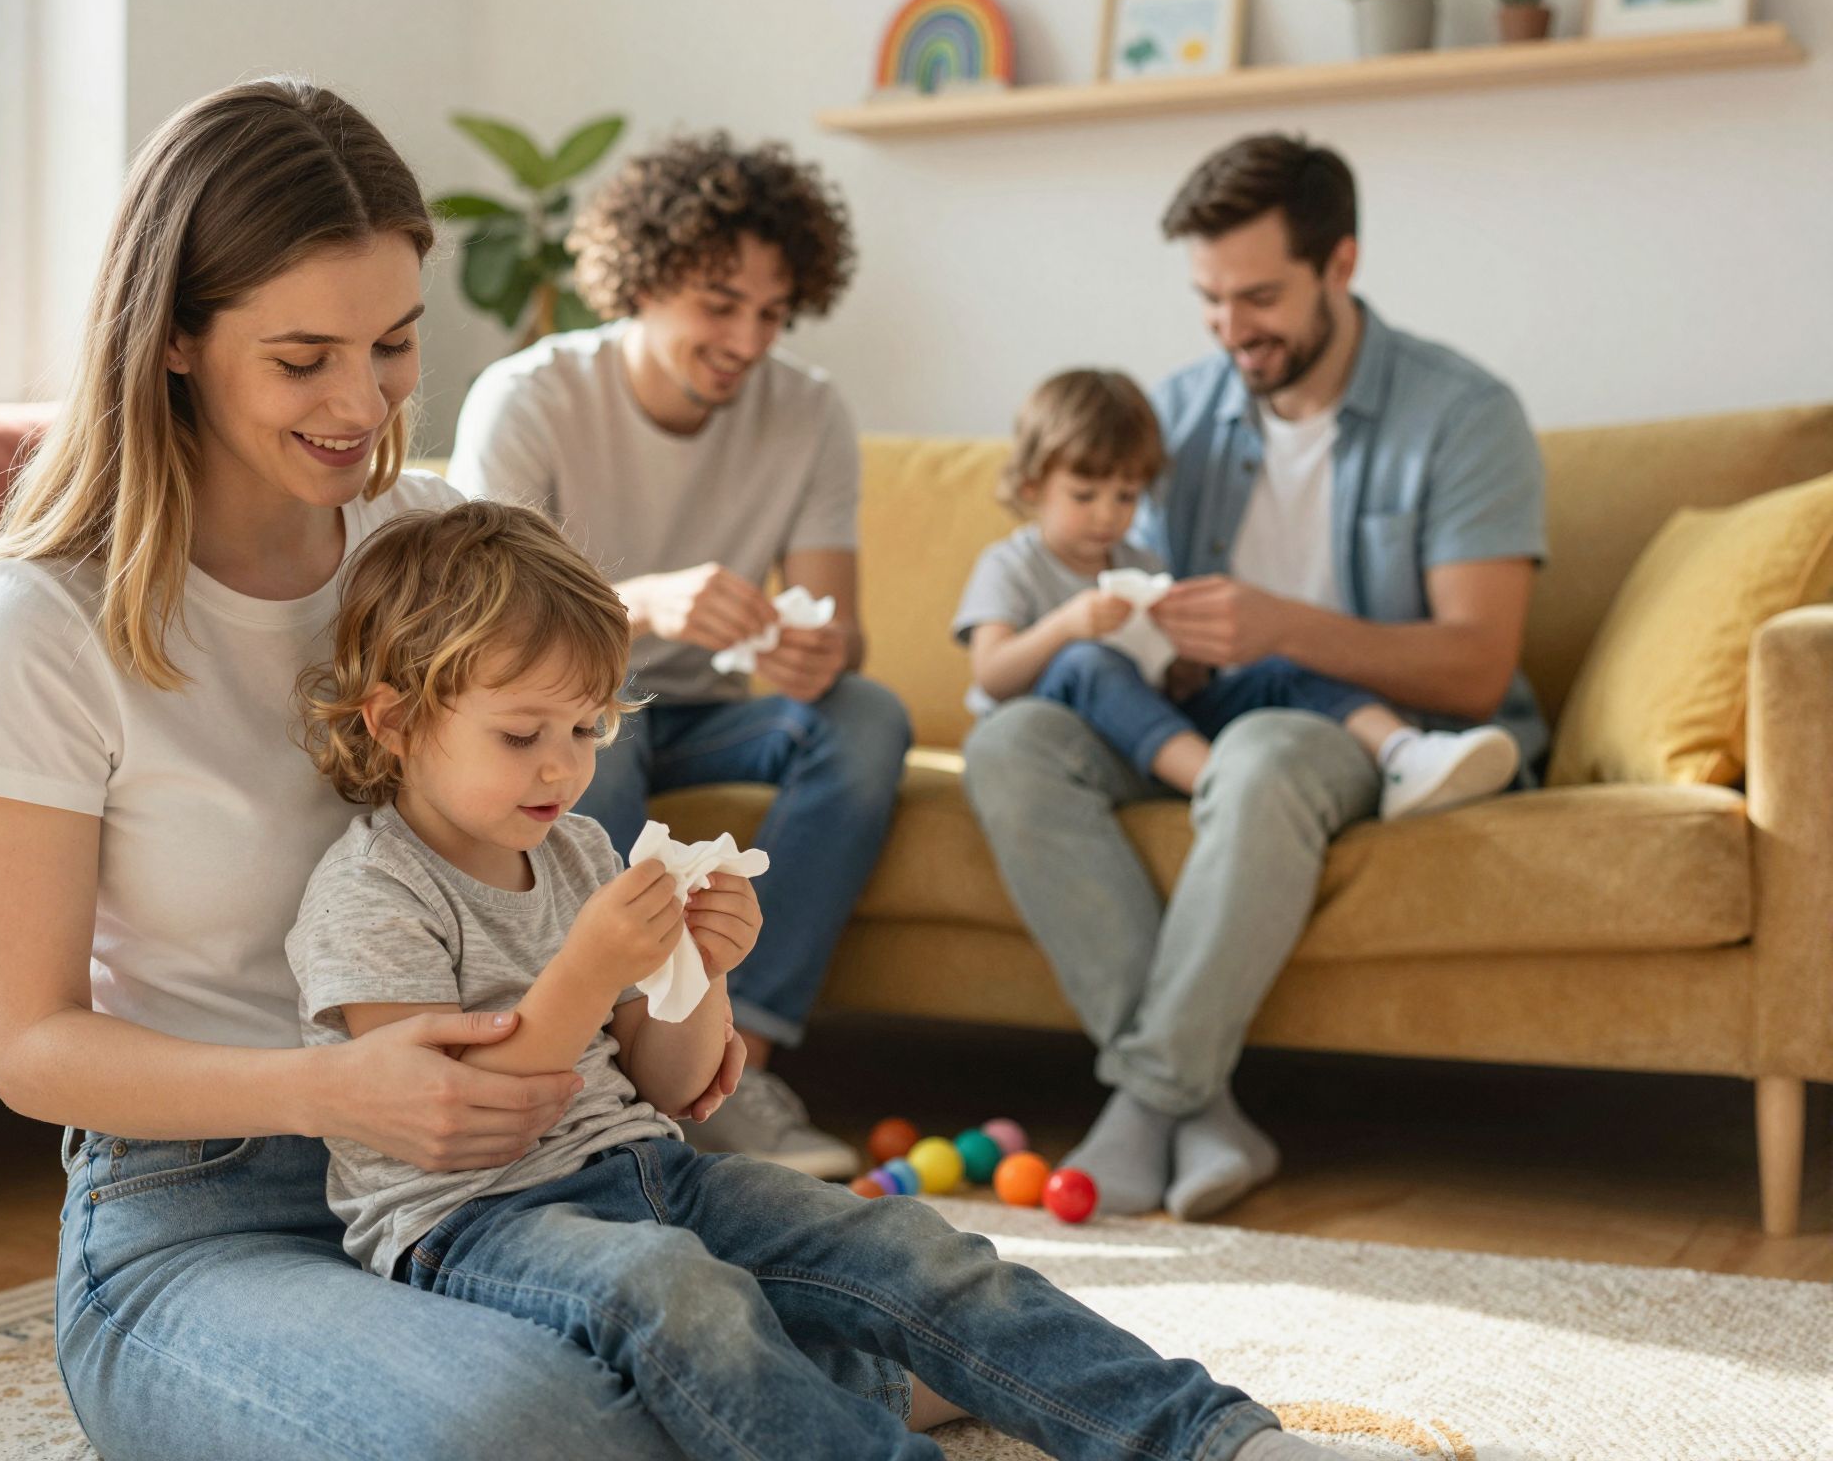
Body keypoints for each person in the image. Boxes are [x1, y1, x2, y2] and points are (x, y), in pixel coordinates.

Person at [0, 78, 799, 1461]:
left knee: (885, 1299)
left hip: (503, 1182)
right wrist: (325, 1092)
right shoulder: (51, 623)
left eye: (392, 343)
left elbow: (543, 854)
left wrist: (671, 998)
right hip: (204, 1211)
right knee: (530, 1422)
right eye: (302, 359)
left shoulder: (437, 544)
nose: (361, 401)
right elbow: (29, 1047)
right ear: (174, 338)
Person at [282, 496, 1329, 1461]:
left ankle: (1210, 1437)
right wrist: (589, 969)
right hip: (474, 1224)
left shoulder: (579, 853)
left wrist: (702, 971)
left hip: (648, 1171)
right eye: (521, 734)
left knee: (909, 1249)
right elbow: (461, 1118)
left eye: (586, 728)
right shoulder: (371, 893)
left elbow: (667, 1084)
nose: (562, 766)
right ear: (394, 720)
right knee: (676, 1291)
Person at [963, 135, 1548, 1222]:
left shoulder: (1462, 417)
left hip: (1360, 728)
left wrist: (1283, 626)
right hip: (1192, 710)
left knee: (1263, 753)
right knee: (1008, 743)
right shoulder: (1179, 413)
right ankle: (1204, 1111)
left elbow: (1476, 668)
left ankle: (1146, 1101)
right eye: (1209, 299)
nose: (1232, 328)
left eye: (1260, 296)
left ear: (1339, 265)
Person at [450, 132, 911, 1178]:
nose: (747, 339)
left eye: (771, 312)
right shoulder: (530, 397)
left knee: (866, 715)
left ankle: (743, 1066)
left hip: (714, 712)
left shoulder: (809, 411)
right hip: (578, 703)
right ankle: (615, 1061)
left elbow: (845, 631)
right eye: (719, 303)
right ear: (643, 280)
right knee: (590, 744)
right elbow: (477, 623)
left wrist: (817, 652)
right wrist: (643, 604)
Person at [957, 367, 1520, 812]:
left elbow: (1170, 684)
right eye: (1084, 496)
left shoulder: (1141, 562)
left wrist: (1184, 663)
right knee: (1089, 662)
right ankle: (1222, 788)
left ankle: (1403, 752)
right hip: (1072, 738)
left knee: (1278, 662)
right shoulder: (1011, 565)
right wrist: (1068, 624)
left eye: (1126, 497)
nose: (1108, 515)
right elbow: (992, 675)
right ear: (1032, 487)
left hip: (1156, 729)